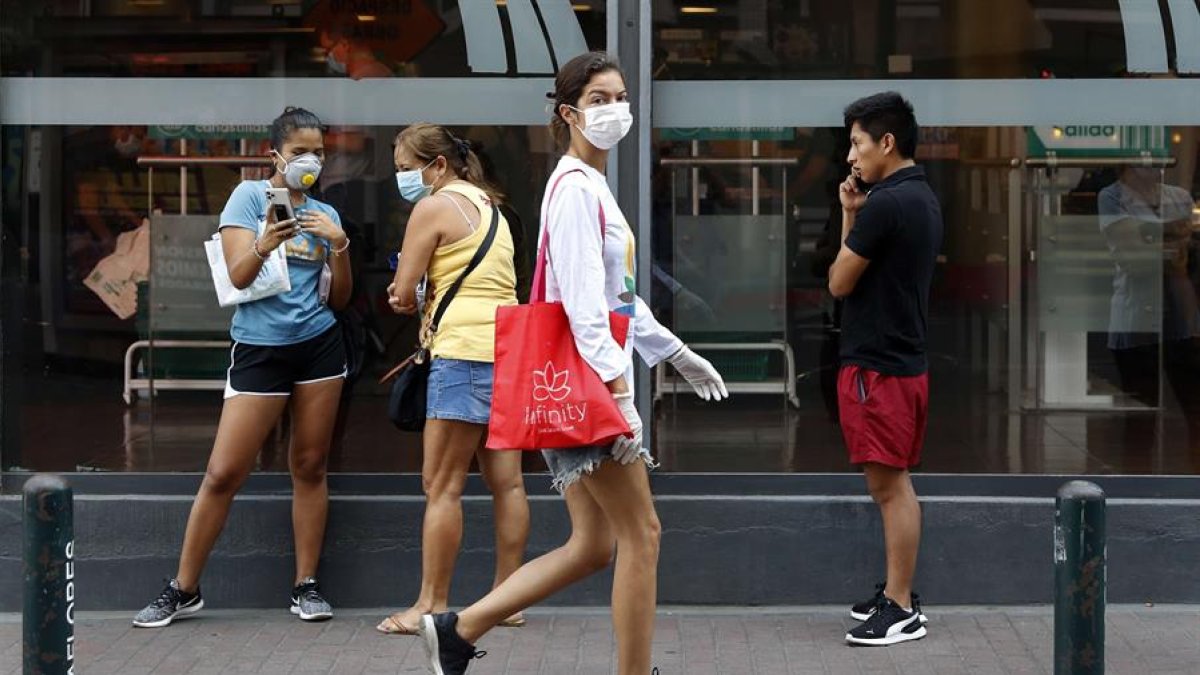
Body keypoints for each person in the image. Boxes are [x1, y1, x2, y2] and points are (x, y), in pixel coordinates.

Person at [417, 51, 728, 675]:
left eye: (620, 97)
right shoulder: (574, 189)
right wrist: (621, 393)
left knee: (592, 546)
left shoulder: (588, 187)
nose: (616, 110)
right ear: (570, 113)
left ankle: (458, 629)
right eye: (600, 100)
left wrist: (676, 352)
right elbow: (585, 308)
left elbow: (617, 297)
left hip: (575, 383)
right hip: (586, 388)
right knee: (643, 535)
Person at [132, 107, 352, 627]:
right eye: (300, 151)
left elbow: (339, 299)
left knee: (310, 465)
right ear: (274, 154)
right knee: (223, 471)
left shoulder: (325, 213)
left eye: (318, 151)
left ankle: (307, 585)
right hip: (259, 347)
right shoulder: (249, 198)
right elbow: (236, 274)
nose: (311, 161)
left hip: (319, 345)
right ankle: (183, 588)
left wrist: (338, 246)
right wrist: (264, 242)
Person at [380, 123, 530, 635]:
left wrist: (405, 293)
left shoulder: (433, 207)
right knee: (506, 483)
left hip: (462, 352)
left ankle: (429, 604)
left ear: (437, 165)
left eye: (406, 169)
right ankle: (508, 599)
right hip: (506, 351)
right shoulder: (494, 209)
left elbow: (403, 293)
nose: (402, 179)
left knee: (441, 485)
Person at [828, 92, 942, 646]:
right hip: (902, 362)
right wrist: (855, 212)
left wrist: (852, 216)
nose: (851, 155)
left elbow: (838, 282)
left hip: (880, 368)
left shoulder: (889, 204)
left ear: (886, 143)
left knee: (890, 487)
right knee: (894, 482)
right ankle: (897, 594)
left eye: (857, 142)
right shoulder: (918, 196)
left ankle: (900, 607)